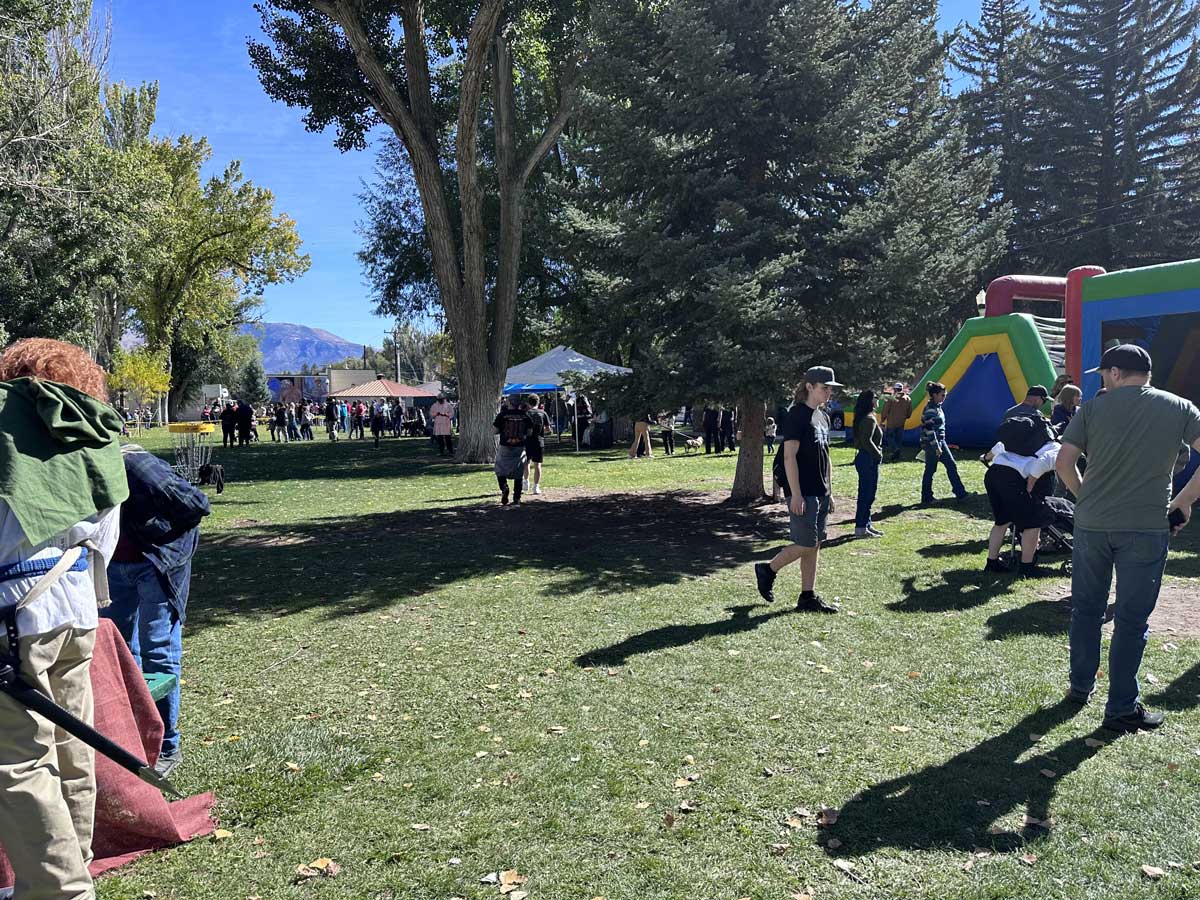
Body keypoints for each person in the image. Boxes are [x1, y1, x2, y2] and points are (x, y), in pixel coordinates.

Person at [0, 337, 129, 900]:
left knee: (21, 761)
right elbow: (107, 533)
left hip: (13, 616)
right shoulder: (95, 435)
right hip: (75, 607)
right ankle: (75, 867)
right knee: (73, 747)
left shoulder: (7, 437)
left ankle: (58, 892)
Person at [1057, 344, 1200, 733]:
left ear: (1117, 372)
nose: (1102, 380)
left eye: (1103, 374)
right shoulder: (1180, 408)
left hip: (1092, 525)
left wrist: (1085, 497)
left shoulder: (1092, 409)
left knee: (1087, 609)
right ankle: (1120, 706)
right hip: (1146, 526)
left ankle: (1079, 686)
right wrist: (1183, 502)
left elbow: (1064, 463)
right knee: (1131, 621)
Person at [103, 443, 209, 778]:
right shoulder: (71, 467)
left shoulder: (134, 466)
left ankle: (166, 746)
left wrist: (159, 540)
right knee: (120, 654)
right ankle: (136, 740)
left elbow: (196, 504)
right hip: (113, 567)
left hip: (155, 565)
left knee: (157, 650)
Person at [752, 366, 842, 613]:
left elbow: (826, 457)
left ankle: (807, 596)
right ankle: (768, 569)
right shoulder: (797, 415)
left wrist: (830, 491)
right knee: (805, 543)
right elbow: (790, 457)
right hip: (803, 492)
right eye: (825, 388)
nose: (829, 393)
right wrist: (796, 493)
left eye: (830, 388)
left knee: (815, 544)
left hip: (821, 491)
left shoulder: (822, 416)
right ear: (809, 387)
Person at [982, 431, 1059, 576]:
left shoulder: (1019, 436)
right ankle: (1027, 568)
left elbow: (998, 447)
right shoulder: (1055, 449)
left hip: (993, 473)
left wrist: (985, 458)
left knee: (1002, 521)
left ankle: (991, 563)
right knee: (1033, 523)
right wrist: (1030, 488)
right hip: (1012, 478)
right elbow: (1039, 466)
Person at [919, 381, 969, 506]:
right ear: (934, 395)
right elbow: (929, 429)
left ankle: (960, 493)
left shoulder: (937, 407)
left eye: (945, 394)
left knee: (950, 465)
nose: (944, 397)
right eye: (942, 395)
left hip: (940, 441)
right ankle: (927, 497)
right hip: (933, 444)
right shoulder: (931, 409)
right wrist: (936, 446)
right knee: (931, 470)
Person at [852, 390, 884, 538]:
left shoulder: (865, 417)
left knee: (867, 493)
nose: (878, 400)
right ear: (871, 401)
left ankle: (866, 524)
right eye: (876, 397)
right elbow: (866, 441)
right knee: (867, 494)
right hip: (868, 459)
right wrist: (878, 454)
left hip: (864, 458)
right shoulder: (869, 419)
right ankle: (861, 528)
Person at [494, 397, 531, 505]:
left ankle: (504, 487)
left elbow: (495, 430)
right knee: (518, 472)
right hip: (519, 446)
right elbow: (530, 431)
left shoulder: (502, 415)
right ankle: (517, 497)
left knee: (500, 469)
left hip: (505, 445)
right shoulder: (524, 415)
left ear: (509, 402)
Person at [523, 394, 551, 494]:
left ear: (528, 403)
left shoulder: (526, 414)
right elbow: (548, 429)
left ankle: (525, 482)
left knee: (526, 463)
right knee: (537, 465)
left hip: (527, 441)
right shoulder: (543, 413)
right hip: (539, 441)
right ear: (538, 402)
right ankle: (536, 487)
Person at [881, 383, 912, 462]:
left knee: (889, 438)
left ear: (894, 389)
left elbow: (885, 410)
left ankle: (895, 450)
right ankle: (897, 454)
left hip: (891, 423)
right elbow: (909, 412)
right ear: (901, 389)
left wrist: (882, 420)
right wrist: (905, 417)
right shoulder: (908, 398)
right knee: (898, 439)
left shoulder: (891, 398)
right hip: (901, 423)